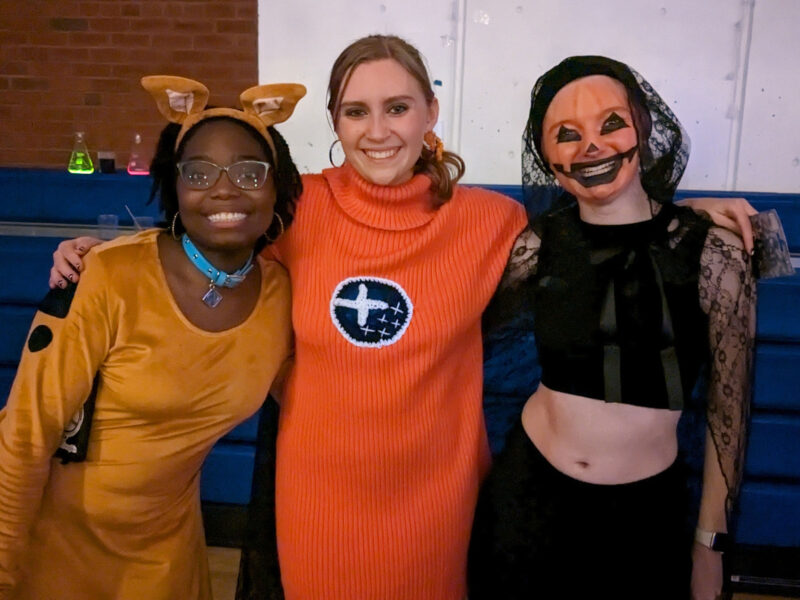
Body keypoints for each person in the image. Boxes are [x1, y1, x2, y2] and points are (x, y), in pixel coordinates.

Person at [46, 38, 758, 600]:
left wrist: (689, 215)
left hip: (438, 505)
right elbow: (211, 228)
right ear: (334, 123)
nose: (378, 130)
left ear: (429, 115)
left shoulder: (492, 222)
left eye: (397, 107)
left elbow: (603, 226)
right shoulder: (300, 208)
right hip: (318, 497)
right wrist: (105, 252)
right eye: (357, 111)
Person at [0, 75, 305, 599]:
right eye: (199, 171)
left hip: (165, 556)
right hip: (51, 549)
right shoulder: (106, 276)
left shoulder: (283, 296)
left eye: (250, 172)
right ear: (175, 185)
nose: (225, 188)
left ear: (277, 188)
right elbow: (22, 441)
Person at [468, 55, 758, 600]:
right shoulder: (538, 245)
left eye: (611, 124)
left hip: (645, 518)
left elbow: (729, 410)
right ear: (548, 157)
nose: (591, 146)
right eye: (567, 134)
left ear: (644, 130)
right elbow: (453, 327)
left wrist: (708, 547)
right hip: (527, 503)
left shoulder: (713, 251)